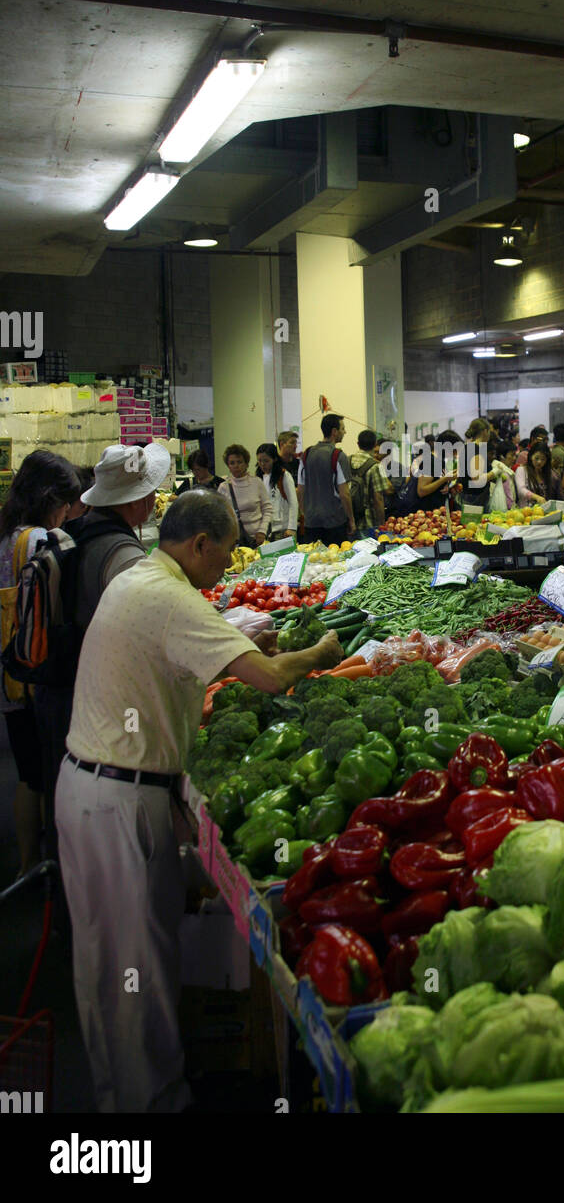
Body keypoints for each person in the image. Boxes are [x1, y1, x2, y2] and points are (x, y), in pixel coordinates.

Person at [55, 490, 342, 1113]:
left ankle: (124, 1096)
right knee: (134, 971)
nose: (233, 565)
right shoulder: (167, 596)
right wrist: (321, 654)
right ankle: (148, 1109)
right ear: (200, 545)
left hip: (101, 785)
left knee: (110, 963)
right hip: (116, 796)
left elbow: (185, 667)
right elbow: (268, 679)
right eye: (229, 552)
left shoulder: (142, 580)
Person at [32, 444, 169, 867]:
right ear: (141, 500)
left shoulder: (80, 531)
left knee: (67, 809)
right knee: (106, 821)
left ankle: (66, 896)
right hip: (100, 698)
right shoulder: (123, 555)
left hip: (58, 687)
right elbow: (148, 636)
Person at [0, 451, 81, 874]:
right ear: (51, 498)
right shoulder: (37, 540)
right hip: (36, 674)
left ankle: (26, 865)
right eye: (66, 503)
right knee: (47, 774)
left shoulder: (6, 532)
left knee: (26, 774)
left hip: (9, 673)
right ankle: (48, 867)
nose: (68, 511)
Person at [297, 413, 355, 545]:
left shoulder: (306, 455)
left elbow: (300, 490)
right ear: (334, 432)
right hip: (334, 523)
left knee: (313, 561)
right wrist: (351, 519)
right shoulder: (338, 456)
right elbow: (344, 493)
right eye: (342, 429)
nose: (345, 432)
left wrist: (305, 513)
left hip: (311, 523)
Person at [218, 443, 272, 547]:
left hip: (258, 539)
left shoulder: (257, 482)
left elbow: (267, 509)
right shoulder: (223, 488)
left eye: (239, 462)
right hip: (235, 542)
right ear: (228, 466)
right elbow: (221, 517)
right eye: (232, 463)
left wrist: (262, 531)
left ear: (246, 464)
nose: (236, 466)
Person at [255, 442, 298, 541]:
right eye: (260, 461)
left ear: (274, 459)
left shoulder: (284, 476)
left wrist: (291, 528)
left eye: (266, 461)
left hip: (284, 530)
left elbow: (293, 503)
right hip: (266, 530)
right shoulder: (258, 478)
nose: (262, 464)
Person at [349, 430, 391, 530]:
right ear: (375, 444)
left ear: (358, 444)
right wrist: (382, 524)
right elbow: (378, 499)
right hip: (367, 521)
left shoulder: (347, 460)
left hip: (349, 519)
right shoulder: (375, 466)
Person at [461, 417, 499, 512]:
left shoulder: (468, 447)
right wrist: (494, 472)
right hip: (474, 500)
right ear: (485, 431)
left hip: (469, 496)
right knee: (475, 526)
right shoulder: (475, 449)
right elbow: (476, 479)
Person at [515, 441, 561, 506]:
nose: (539, 462)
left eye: (543, 459)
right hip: (525, 511)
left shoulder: (547, 473)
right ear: (531, 456)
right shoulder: (521, 470)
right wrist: (536, 497)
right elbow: (521, 490)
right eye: (536, 458)